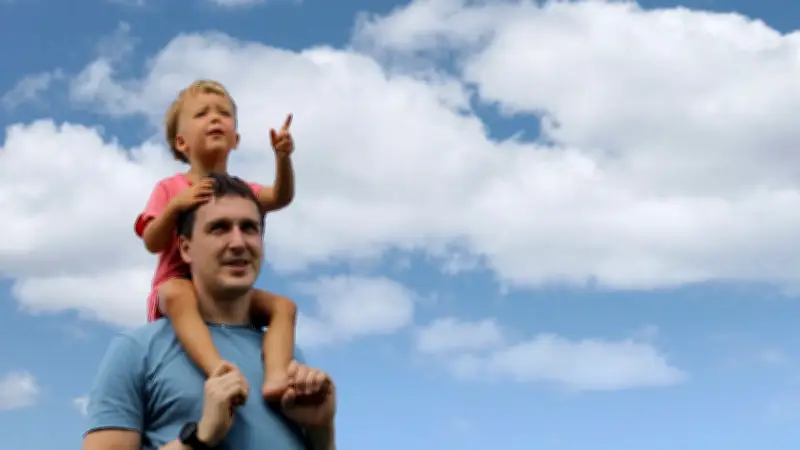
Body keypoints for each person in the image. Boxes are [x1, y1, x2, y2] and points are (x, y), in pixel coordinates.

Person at [83, 173, 336, 450]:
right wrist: (199, 437)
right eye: (219, 228)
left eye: (249, 228)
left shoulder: (287, 354)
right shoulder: (137, 350)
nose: (238, 242)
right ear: (185, 248)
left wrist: (322, 430)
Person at [135, 79, 297, 400]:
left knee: (284, 307)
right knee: (178, 292)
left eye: (223, 114)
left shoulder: (241, 191)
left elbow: (280, 197)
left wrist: (283, 158)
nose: (214, 118)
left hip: (226, 293)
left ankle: (277, 375)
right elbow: (152, 242)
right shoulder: (170, 188)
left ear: (236, 139)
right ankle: (217, 367)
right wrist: (176, 207)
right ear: (181, 142)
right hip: (177, 285)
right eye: (202, 114)